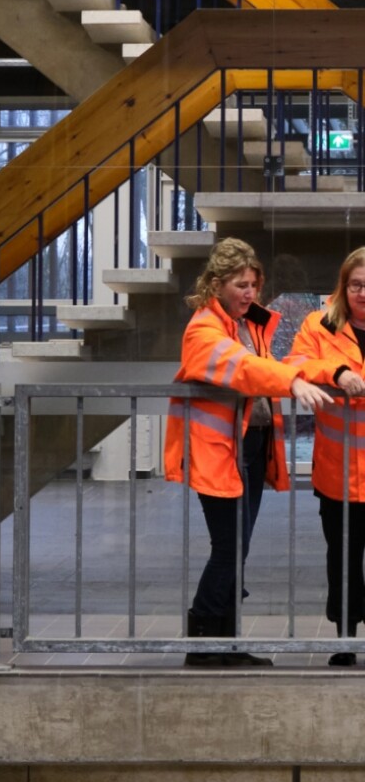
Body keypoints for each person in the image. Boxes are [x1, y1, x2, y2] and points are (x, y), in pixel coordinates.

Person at [165, 237, 330, 667]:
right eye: (241, 284)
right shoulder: (204, 328)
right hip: (218, 451)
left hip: (249, 448)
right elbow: (244, 368)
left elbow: (278, 364)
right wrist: (291, 383)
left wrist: (322, 373)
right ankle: (203, 640)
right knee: (229, 547)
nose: (251, 293)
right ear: (216, 284)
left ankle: (226, 643)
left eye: (255, 284)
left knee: (237, 547)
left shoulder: (250, 323)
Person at [287, 247, 365, 665]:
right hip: (338, 471)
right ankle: (347, 638)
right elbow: (296, 363)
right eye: (356, 285)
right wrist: (337, 373)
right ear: (343, 286)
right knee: (343, 559)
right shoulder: (318, 325)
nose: (363, 293)